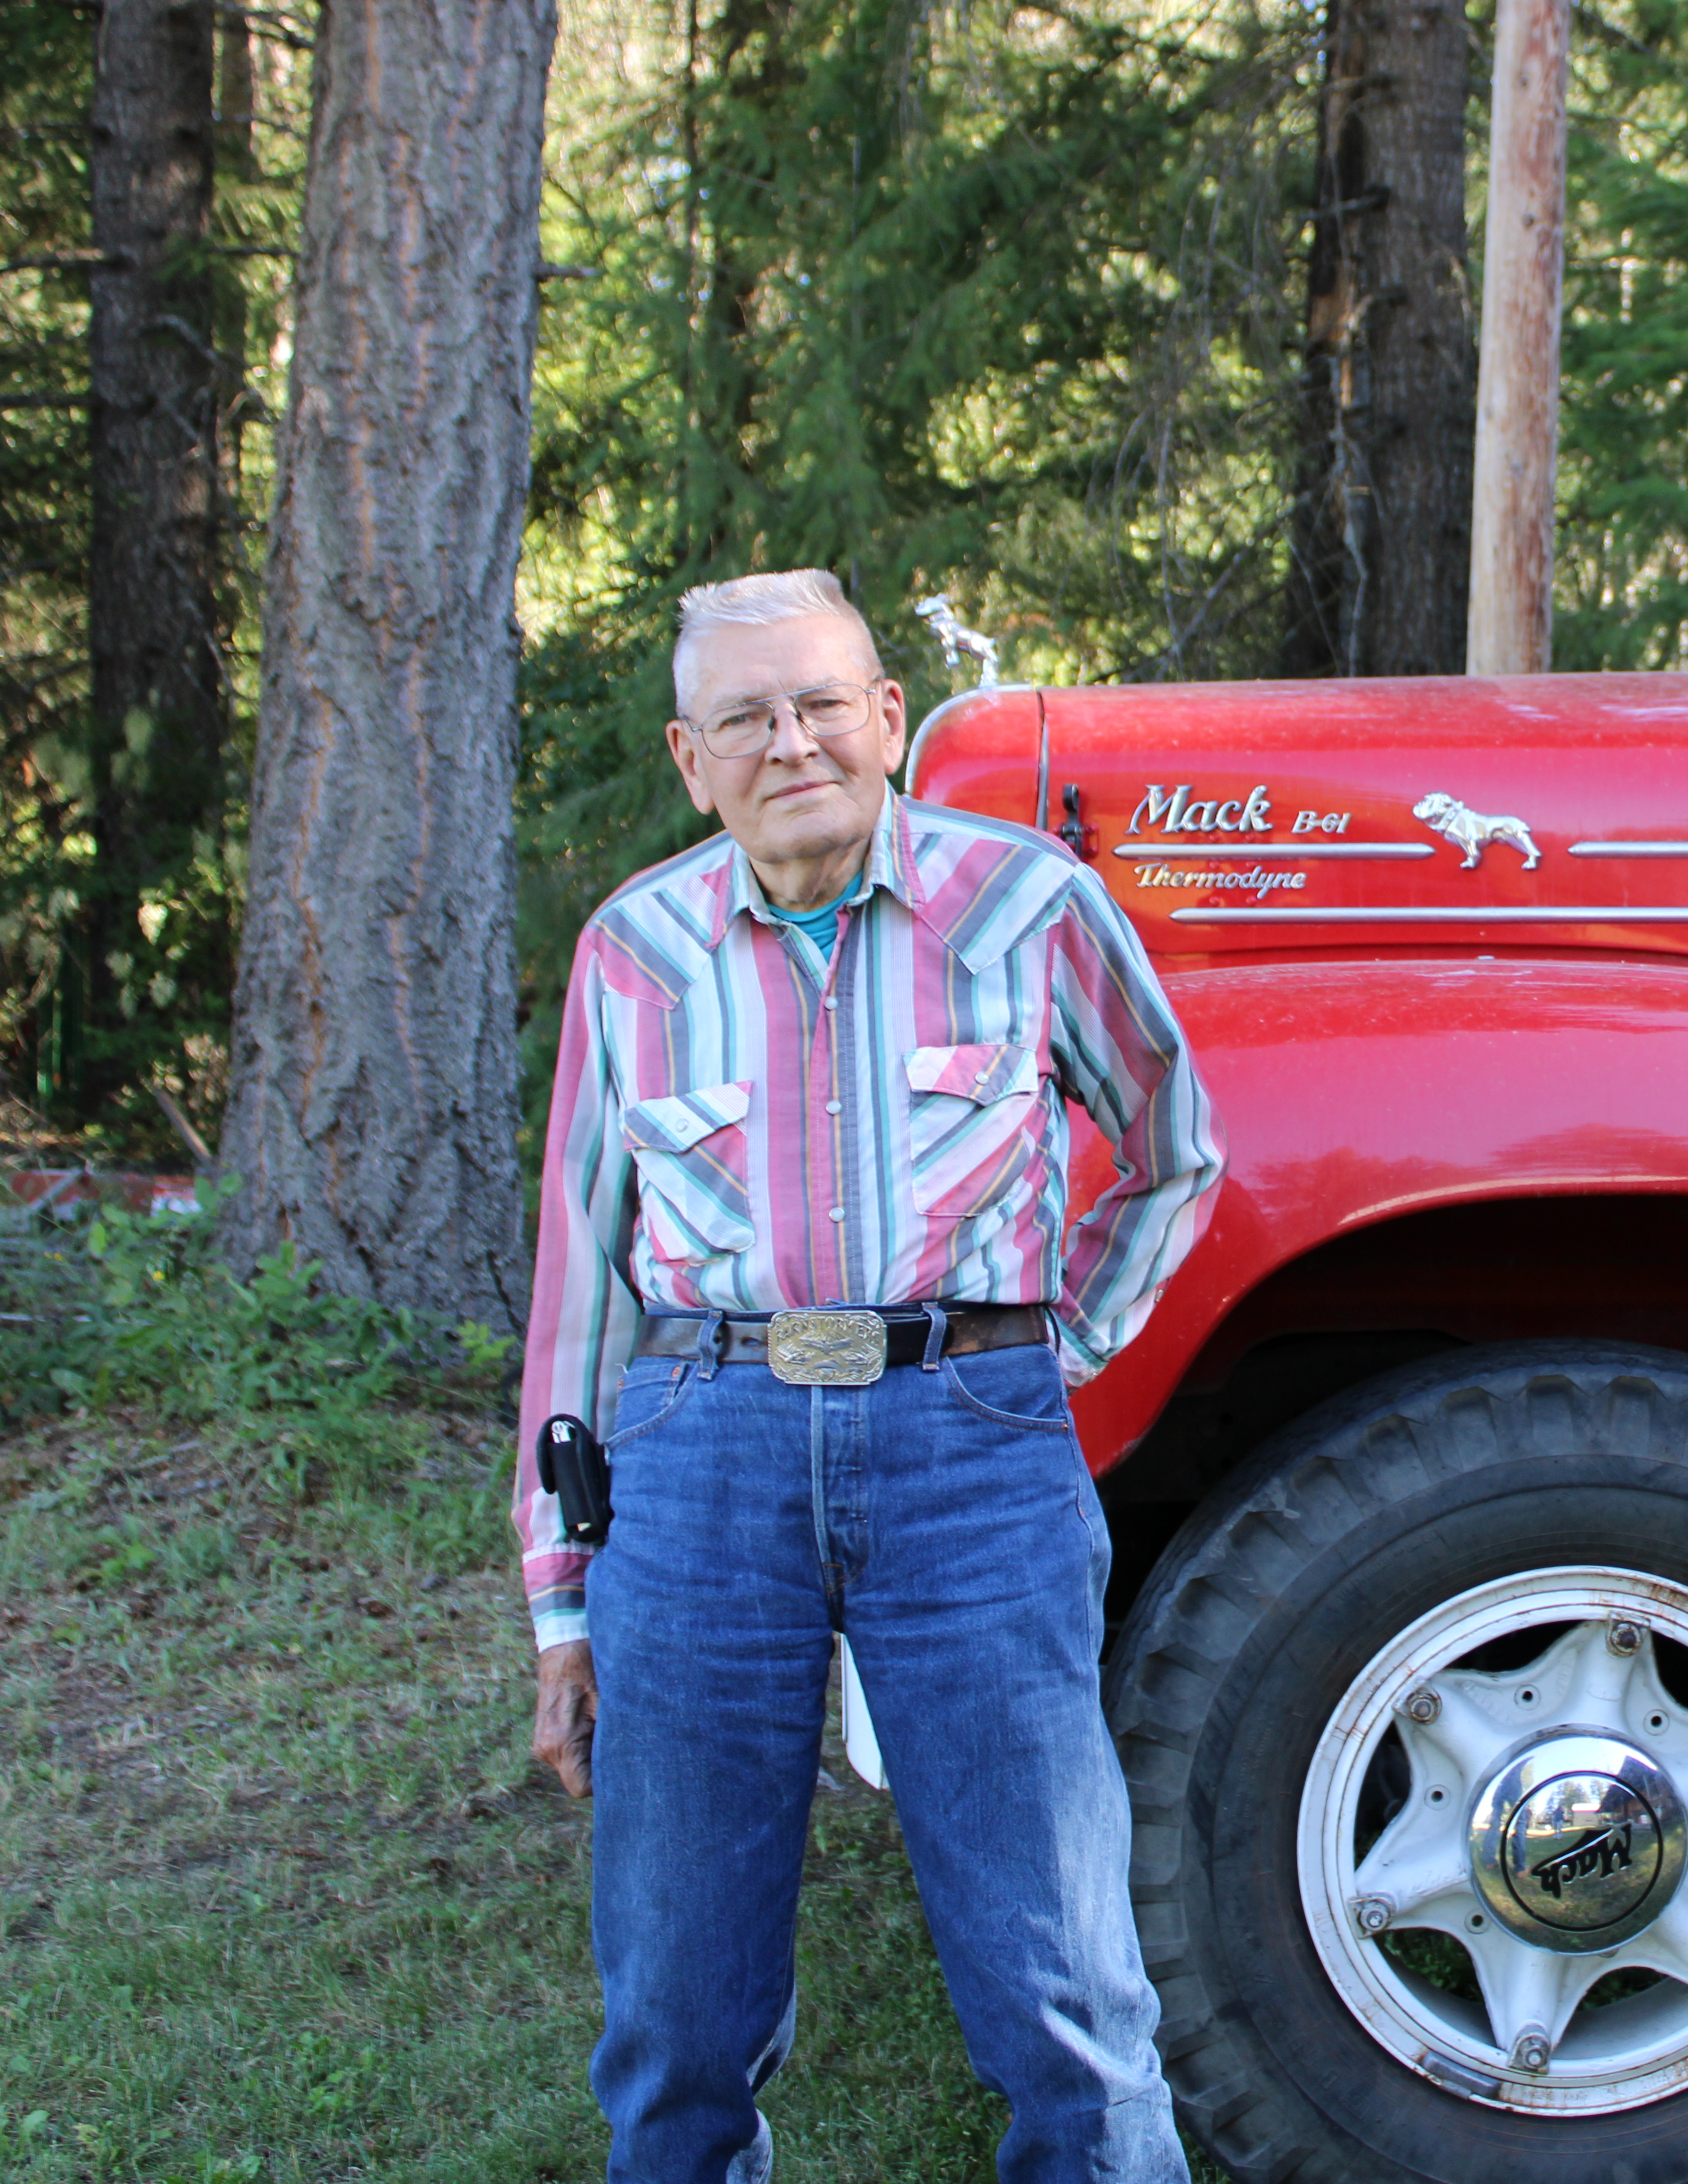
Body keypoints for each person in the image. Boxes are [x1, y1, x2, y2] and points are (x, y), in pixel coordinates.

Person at [510, 568, 1222, 2184]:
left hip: (970, 1456)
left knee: (1062, 1979)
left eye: (823, 701)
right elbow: (578, 1293)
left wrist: (1050, 1348)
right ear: (690, 757)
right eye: (746, 717)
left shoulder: (1028, 906)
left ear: (888, 719)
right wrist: (562, 1600)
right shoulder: (634, 953)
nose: (792, 741)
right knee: (679, 1995)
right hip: (702, 1458)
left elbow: (1173, 1150)